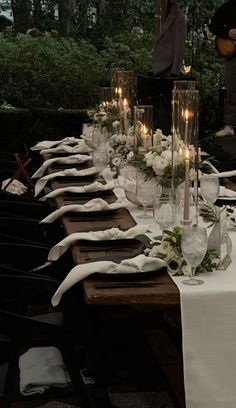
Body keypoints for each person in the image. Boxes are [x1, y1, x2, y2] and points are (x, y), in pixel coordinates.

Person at [209, 0, 236, 137]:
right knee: (232, 89)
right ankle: (230, 126)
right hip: (233, 55)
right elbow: (213, 26)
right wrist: (228, 31)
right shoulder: (229, 6)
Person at [152, 0, 187, 77]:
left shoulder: (179, 19)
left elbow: (179, 46)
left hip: (169, 70)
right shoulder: (160, 17)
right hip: (159, 69)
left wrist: (175, 70)